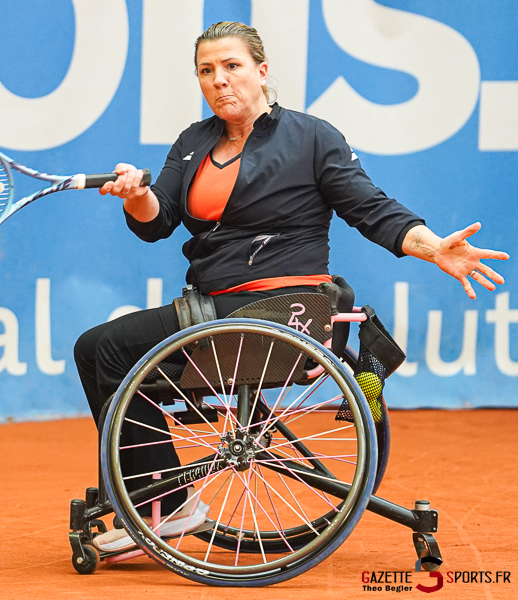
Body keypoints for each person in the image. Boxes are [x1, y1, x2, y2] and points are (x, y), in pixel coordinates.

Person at [74, 21, 509, 554]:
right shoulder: (192, 143)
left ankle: (162, 506)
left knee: (109, 346)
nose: (219, 81)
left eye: (232, 67)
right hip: (218, 307)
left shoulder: (310, 137)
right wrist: (136, 194)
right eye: (206, 71)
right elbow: (156, 220)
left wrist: (434, 245)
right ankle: (158, 500)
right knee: (98, 349)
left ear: (261, 71)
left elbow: (371, 209)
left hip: (280, 309)